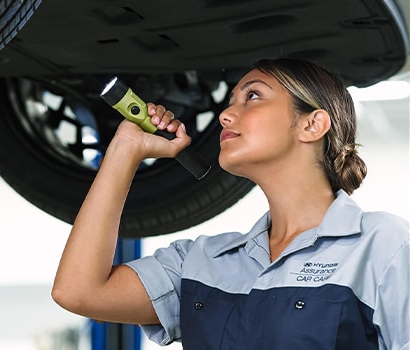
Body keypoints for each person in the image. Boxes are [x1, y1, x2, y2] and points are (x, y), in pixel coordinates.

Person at [51, 58, 409, 349]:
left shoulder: (382, 245)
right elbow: (78, 291)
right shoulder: (201, 263)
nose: (224, 115)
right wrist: (125, 149)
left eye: (252, 96)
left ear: (312, 124)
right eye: (230, 101)